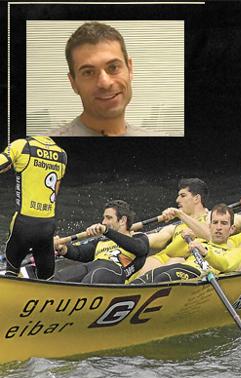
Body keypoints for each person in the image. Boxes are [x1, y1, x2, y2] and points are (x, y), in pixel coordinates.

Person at [48, 21, 152, 136]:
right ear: (73, 83)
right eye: (88, 72)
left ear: (130, 69)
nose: (105, 83)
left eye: (113, 67)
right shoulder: (49, 148)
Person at [0, 136, 67, 279]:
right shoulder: (61, 154)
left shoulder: (22, 145)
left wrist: (9, 163)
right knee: (47, 277)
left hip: (23, 225)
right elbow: (55, 191)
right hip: (47, 227)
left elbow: (2, 163)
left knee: (11, 270)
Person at [131, 203, 235, 284]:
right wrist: (182, 238)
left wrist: (205, 253)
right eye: (215, 223)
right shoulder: (199, 243)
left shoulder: (233, 250)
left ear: (232, 229)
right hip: (180, 270)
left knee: (163, 277)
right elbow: (171, 253)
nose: (219, 227)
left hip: (198, 274)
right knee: (148, 276)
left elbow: (226, 265)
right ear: (209, 226)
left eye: (224, 223)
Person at [54, 200, 149, 283]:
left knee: (96, 274)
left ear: (122, 221)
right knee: (60, 277)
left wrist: (107, 231)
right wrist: (63, 249)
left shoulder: (139, 238)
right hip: (93, 267)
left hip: (114, 272)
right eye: (104, 218)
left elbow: (140, 249)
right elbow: (79, 252)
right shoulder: (101, 241)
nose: (104, 222)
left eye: (109, 218)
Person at [133, 178, 211, 277]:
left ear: (196, 198)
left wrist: (180, 214)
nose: (177, 200)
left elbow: (208, 235)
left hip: (188, 260)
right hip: (165, 257)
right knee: (146, 263)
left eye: (183, 196)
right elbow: (153, 238)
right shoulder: (175, 226)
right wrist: (130, 236)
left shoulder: (212, 217)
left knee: (175, 261)